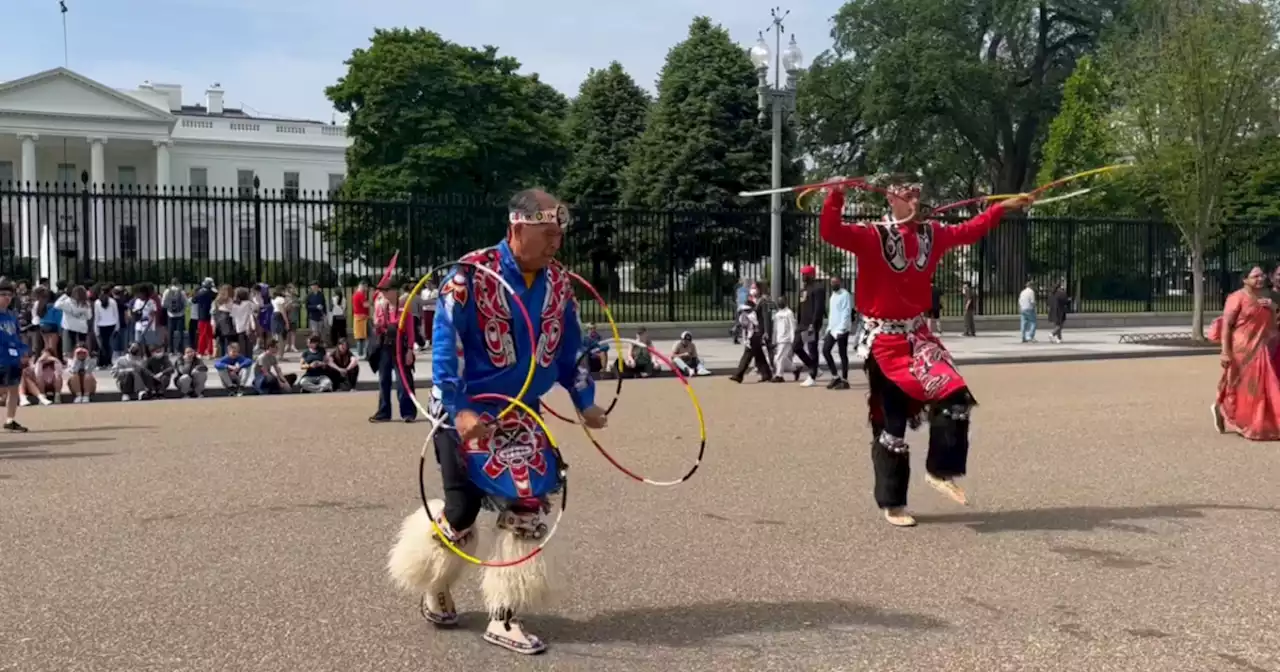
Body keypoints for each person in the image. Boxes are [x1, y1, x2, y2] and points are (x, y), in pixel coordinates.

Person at [388, 188, 607, 655]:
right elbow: (447, 351)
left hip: (522, 418)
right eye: (546, 234)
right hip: (465, 411)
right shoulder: (469, 278)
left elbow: (570, 351)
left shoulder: (559, 284)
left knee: (528, 504)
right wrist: (462, 409)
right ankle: (433, 582)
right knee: (461, 511)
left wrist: (585, 401)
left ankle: (506, 613)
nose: (554, 244)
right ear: (516, 228)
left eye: (558, 235)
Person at [818, 177, 1032, 527]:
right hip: (884, 340)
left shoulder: (933, 234)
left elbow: (969, 230)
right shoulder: (872, 235)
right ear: (891, 200)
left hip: (918, 337)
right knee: (893, 422)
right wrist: (836, 195)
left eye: (919, 193)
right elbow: (831, 232)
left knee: (955, 394)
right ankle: (892, 501)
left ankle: (940, 469)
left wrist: (1002, 208)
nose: (915, 199)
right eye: (907, 194)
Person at [1210, 267, 1280, 440]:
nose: (1260, 279)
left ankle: (1255, 423)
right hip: (1242, 349)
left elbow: (1273, 323)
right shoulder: (1237, 298)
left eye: (1262, 275)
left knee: (1262, 388)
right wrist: (1225, 352)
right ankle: (1225, 409)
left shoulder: (1269, 297)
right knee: (1240, 387)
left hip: (1264, 347)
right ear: (1245, 280)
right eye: (1255, 276)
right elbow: (1226, 327)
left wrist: (1273, 308)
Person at [368, 281, 416, 422]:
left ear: (394, 291)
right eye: (382, 291)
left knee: (403, 381)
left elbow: (410, 331)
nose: (383, 294)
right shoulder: (382, 307)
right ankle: (384, 412)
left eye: (386, 290)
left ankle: (408, 412)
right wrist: (376, 326)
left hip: (401, 346)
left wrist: (410, 350)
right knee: (384, 380)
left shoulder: (404, 308)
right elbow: (379, 328)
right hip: (385, 346)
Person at [0, 279, 30, 431]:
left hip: (12, 356)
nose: (6, 298)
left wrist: (24, 351)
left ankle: (10, 419)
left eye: (9, 295)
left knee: (13, 388)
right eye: (2, 294)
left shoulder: (12, 315)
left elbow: (18, 335)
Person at [729, 284, 775, 384]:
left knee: (748, 354)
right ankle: (766, 374)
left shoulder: (763, 301)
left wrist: (766, 331)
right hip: (752, 333)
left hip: (757, 332)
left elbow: (765, 317)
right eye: (752, 288)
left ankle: (739, 374)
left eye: (755, 288)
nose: (753, 290)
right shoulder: (751, 301)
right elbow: (744, 319)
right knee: (758, 355)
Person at [796, 266, 827, 387]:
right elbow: (800, 307)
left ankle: (812, 376)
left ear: (811, 275)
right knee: (796, 347)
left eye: (805, 274)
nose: (803, 277)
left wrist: (813, 325)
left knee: (812, 349)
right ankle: (814, 367)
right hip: (802, 324)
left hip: (810, 325)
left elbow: (818, 309)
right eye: (802, 274)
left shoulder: (818, 288)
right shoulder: (803, 289)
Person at [823, 276, 853, 390]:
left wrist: (842, 328)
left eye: (835, 282)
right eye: (831, 282)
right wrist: (829, 328)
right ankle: (835, 376)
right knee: (825, 350)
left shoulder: (845, 295)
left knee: (842, 354)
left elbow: (846, 312)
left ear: (840, 282)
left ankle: (845, 381)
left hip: (842, 330)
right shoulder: (833, 296)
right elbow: (832, 314)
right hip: (832, 329)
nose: (833, 284)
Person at [55, 285, 92, 351]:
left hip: (70, 327)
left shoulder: (67, 302)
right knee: (81, 348)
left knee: (70, 349)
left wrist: (64, 295)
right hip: (82, 328)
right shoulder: (86, 304)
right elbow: (89, 317)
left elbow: (56, 305)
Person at [93, 285, 120, 367]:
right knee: (109, 344)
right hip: (112, 324)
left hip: (101, 325)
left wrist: (95, 328)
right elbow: (116, 315)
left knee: (103, 344)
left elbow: (96, 316)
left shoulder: (97, 302)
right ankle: (108, 361)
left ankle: (102, 361)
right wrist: (117, 327)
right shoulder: (113, 302)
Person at [772, 296, 797, 381]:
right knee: (781, 358)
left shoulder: (789, 313)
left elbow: (792, 326)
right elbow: (775, 328)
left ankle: (779, 376)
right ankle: (795, 369)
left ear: (785, 302)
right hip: (779, 338)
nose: (780, 302)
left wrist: (793, 339)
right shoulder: (777, 314)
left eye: (781, 301)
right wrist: (774, 339)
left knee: (779, 357)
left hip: (786, 339)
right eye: (778, 301)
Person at [192, 278, 217, 357]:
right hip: (211, 316)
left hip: (202, 316)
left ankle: (201, 351)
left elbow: (194, 300)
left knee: (202, 335)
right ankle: (209, 352)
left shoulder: (200, 292)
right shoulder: (212, 293)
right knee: (210, 336)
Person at [161, 279, 188, 352]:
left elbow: (163, 304)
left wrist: (169, 308)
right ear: (178, 283)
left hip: (170, 315)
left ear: (171, 283)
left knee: (170, 333)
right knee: (180, 333)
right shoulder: (181, 291)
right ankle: (180, 349)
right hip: (180, 315)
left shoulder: (166, 291)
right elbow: (186, 303)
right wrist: (182, 310)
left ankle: (171, 349)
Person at [351, 279, 371, 357]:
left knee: (360, 337)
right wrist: (372, 303)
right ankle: (364, 354)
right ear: (363, 286)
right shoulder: (360, 295)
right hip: (362, 318)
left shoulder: (356, 294)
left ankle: (360, 353)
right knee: (365, 337)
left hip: (358, 317)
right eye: (366, 287)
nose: (367, 289)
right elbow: (365, 305)